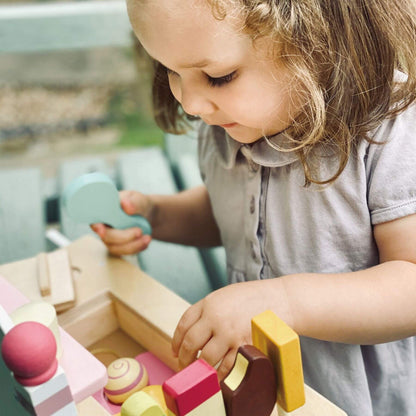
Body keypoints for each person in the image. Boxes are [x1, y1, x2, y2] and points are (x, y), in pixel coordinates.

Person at [91, 0, 416, 414]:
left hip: (346, 398)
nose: (191, 103)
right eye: (170, 70)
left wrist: (283, 302)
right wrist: (157, 216)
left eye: (218, 76)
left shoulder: (389, 128)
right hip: (253, 387)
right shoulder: (231, 118)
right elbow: (236, 216)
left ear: (314, 39)